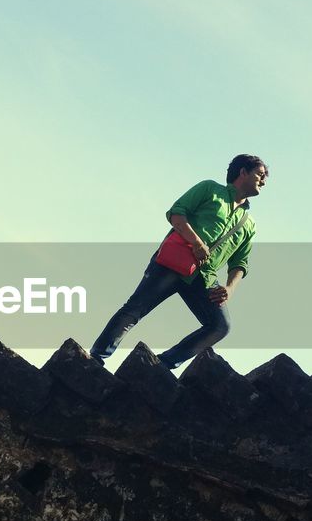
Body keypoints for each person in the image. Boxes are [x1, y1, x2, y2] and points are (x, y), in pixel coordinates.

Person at [90, 154, 267, 370]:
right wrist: (196, 243)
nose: (264, 181)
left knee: (220, 326)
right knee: (135, 308)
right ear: (243, 172)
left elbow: (240, 263)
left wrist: (229, 289)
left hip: (204, 277)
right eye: (260, 174)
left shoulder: (249, 224)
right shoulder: (210, 189)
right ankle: (97, 357)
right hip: (172, 263)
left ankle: (162, 365)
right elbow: (176, 213)